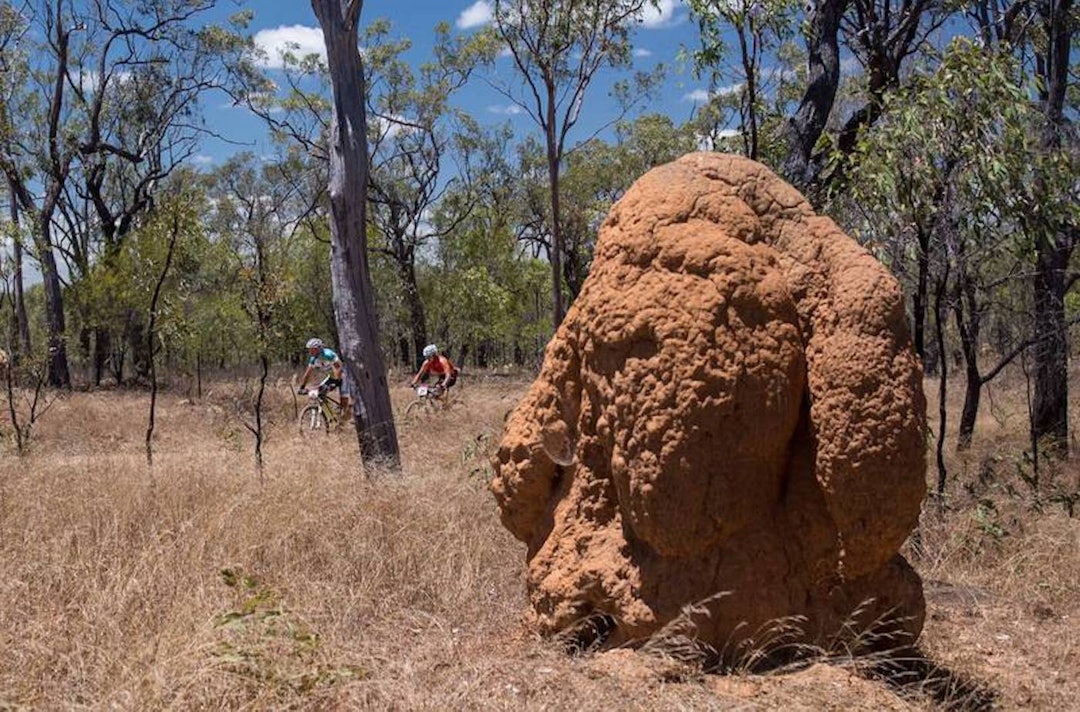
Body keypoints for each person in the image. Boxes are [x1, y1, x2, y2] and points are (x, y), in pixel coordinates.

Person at [297, 337, 352, 426]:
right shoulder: (313, 359)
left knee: (344, 400)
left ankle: (343, 421)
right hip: (332, 377)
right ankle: (331, 415)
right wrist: (302, 387)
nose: (310, 352)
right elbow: (308, 374)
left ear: (318, 349)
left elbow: (338, 367)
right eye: (309, 350)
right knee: (320, 393)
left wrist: (337, 381)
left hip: (343, 376)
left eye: (312, 350)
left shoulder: (328, 354)